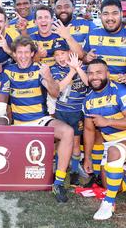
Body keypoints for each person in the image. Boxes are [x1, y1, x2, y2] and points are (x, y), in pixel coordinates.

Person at [4, 36, 74, 203]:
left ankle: (58, 182)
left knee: (68, 132)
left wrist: (49, 77)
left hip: (39, 120)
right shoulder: (8, 71)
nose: (22, 56)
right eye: (19, 52)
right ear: (14, 53)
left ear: (32, 53)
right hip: (18, 124)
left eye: (26, 52)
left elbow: (55, 93)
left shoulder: (40, 69)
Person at [82, 59, 126, 220]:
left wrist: (108, 122)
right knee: (112, 185)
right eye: (90, 73)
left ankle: (107, 203)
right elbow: (89, 130)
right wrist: (88, 157)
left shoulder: (121, 92)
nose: (94, 76)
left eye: (99, 72)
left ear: (107, 74)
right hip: (110, 144)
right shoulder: (88, 100)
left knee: (114, 151)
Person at [49, 41, 89, 186]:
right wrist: (72, 72)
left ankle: (74, 171)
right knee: (61, 142)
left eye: (63, 53)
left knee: (76, 143)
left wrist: (77, 68)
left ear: (69, 53)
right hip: (61, 111)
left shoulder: (81, 66)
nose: (60, 57)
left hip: (77, 112)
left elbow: (88, 82)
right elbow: (58, 88)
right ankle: (61, 169)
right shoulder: (54, 70)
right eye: (56, 54)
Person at [84, 0, 126, 86]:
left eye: (115, 13)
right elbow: (83, 59)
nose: (110, 18)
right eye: (106, 14)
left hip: (123, 89)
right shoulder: (92, 34)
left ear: (121, 14)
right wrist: (86, 58)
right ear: (100, 15)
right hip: (97, 89)